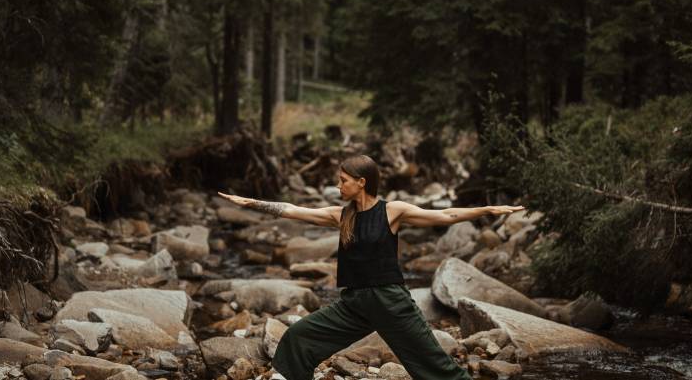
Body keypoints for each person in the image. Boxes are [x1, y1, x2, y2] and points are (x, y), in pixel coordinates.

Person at [218, 154, 525, 380]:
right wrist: (251, 203)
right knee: (298, 337)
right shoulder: (341, 215)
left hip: (390, 302)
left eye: (343, 181)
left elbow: (446, 216)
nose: (338, 186)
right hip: (354, 304)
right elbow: (292, 210)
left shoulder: (392, 211)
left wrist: (487, 209)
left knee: (435, 367)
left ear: (361, 182)